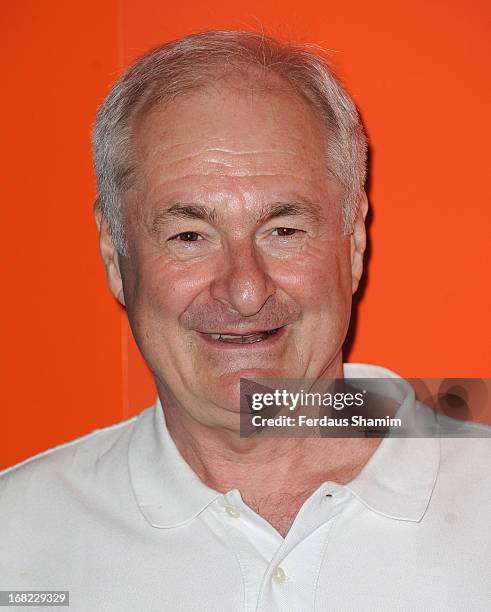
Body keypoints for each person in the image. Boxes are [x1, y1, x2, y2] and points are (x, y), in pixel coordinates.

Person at [0, 30, 489, 611]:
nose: (246, 289)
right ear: (115, 254)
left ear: (352, 240)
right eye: (189, 236)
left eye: (283, 230)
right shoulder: (18, 539)